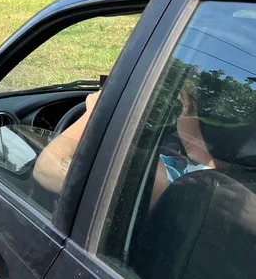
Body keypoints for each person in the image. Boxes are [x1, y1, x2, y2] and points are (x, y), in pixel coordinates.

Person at [33, 84, 220, 206]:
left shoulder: (149, 179)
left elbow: (45, 170)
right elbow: (198, 155)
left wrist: (96, 113)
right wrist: (187, 109)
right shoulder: (216, 179)